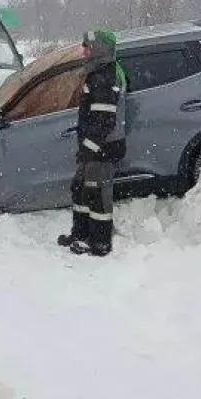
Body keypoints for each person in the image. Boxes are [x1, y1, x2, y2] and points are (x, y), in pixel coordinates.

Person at [57, 29, 128, 257]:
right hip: (92, 148)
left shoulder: (104, 76)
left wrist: (89, 147)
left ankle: (100, 242)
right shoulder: (97, 73)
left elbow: (105, 121)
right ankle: (81, 233)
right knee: (80, 189)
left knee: (97, 194)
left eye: (88, 47)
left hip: (102, 148)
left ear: (100, 49)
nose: (84, 51)